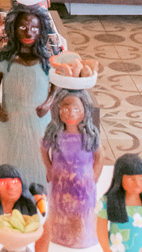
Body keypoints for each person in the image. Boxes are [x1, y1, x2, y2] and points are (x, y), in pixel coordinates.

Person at [0, 7, 53, 186]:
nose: (28, 33)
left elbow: (57, 83)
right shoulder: (5, 58)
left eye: (34, 28)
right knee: (11, 151)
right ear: (13, 29)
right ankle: (9, 185)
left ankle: (38, 184)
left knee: (38, 151)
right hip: (11, 114)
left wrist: (49, 102)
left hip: (38, 116)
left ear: (42, 30)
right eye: (23, 27)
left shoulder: (46, 59)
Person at [41, 89, 102, 248]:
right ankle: (60, 236)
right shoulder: (55, 133)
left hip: (83, 186)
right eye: (66, 109)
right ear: (58, 109)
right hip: (60, 184)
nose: (71, 113)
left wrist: (94, 176)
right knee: (61, 211)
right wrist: (49, 168)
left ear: (85, 110)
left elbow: (100, 157)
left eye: (76, 109)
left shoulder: (90, 135)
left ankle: (79, 237)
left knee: (80, 213)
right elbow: (43, 149)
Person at [96, 154, 142, 252]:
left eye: (141, 178)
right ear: (120, 179)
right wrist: (106, 249)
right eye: (131, 179)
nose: (137, 183)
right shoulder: (106, 202)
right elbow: (101, 230)